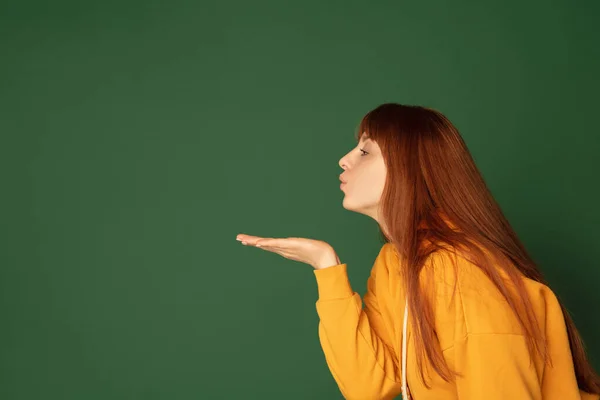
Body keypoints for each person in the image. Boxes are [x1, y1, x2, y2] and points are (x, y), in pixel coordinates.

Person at [236, 103, 600, 399]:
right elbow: (369, 385)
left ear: (410, 168)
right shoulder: (396, 262)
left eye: (365, 150)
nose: (345, 159)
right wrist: (325, 268)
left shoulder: (461, 270)